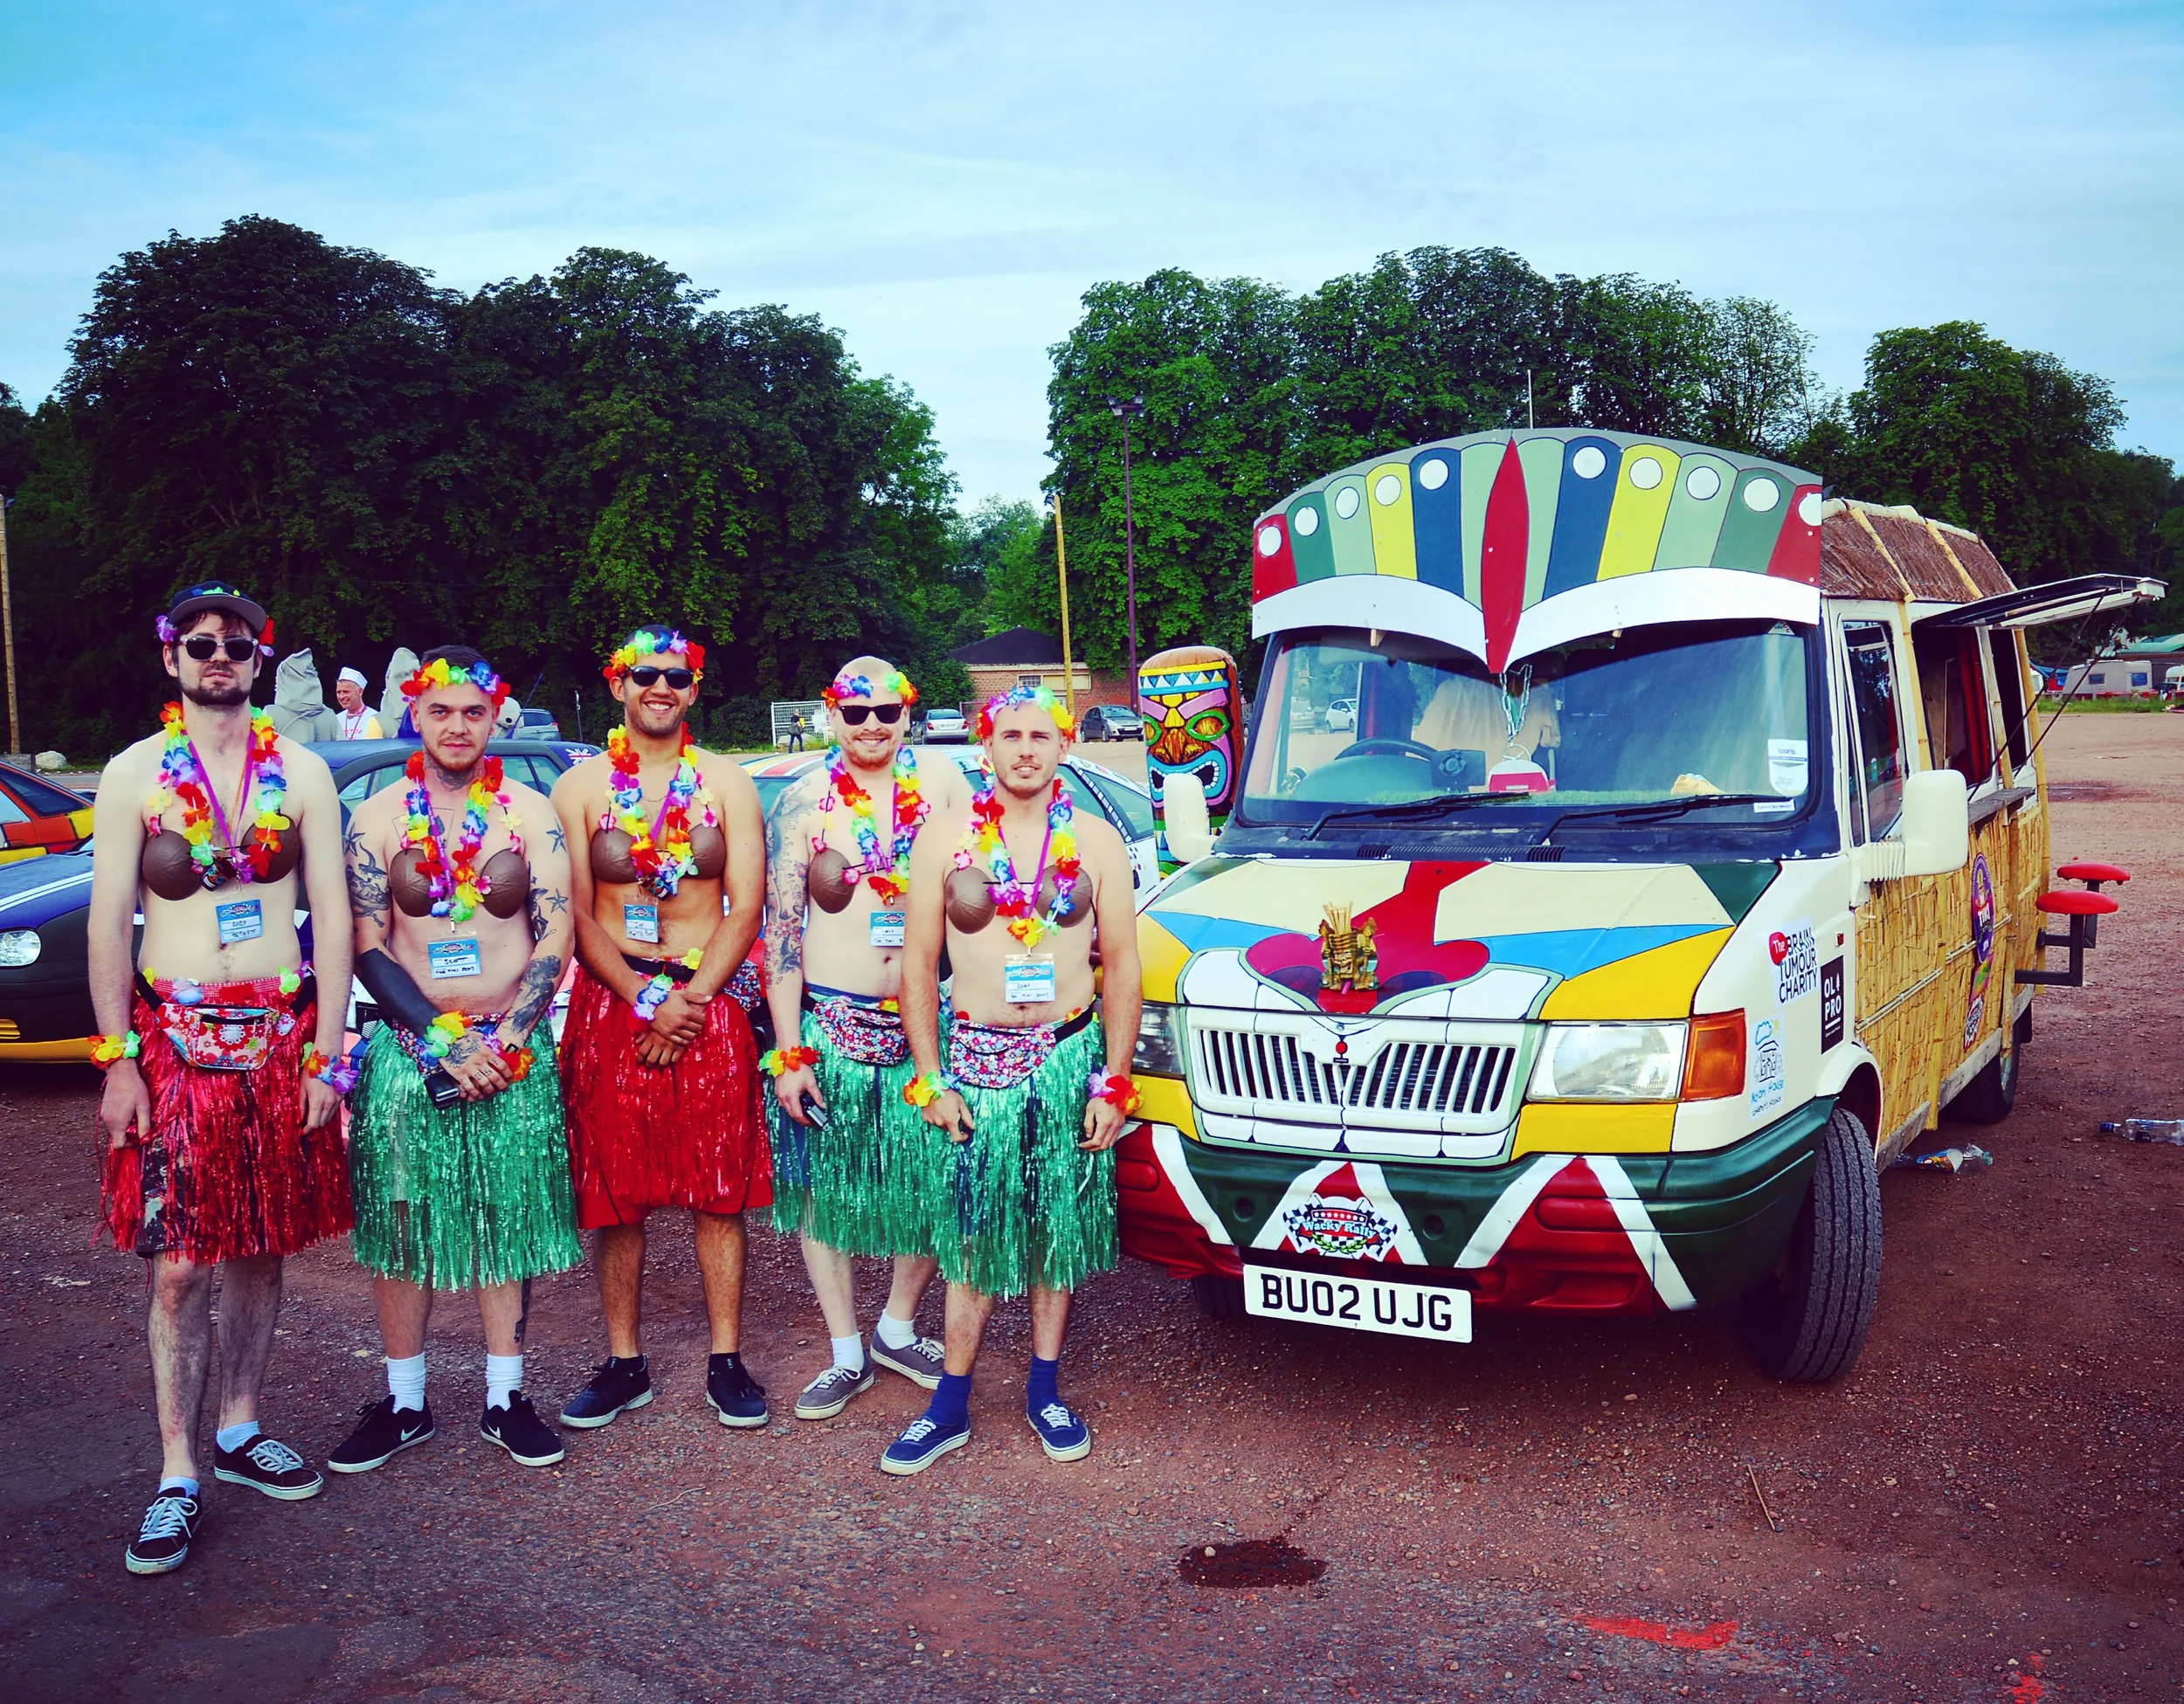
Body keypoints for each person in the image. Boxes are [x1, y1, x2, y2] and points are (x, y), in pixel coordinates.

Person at [88, 583, 356, 1576]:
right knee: (178, 1264)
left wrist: (327, 1052)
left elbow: (330, 915)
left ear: (257, 659)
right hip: (176, 1041)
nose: (219, 658)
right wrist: (117, 1059)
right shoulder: (130, 773)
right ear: (171, 657)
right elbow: (108, 918)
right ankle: (175, 1471)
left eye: (237, 646)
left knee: (262, 1245)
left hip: (279, 1040)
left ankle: (240, 1427)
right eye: (199, 643)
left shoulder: (303, 774)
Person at [328, 647, 578, 1473]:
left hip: (512, 1043)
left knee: (505, 1214)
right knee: (403, 1219)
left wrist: (503, 1040)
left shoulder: (530, 814)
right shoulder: (376, 817)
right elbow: (366, 940)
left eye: (473, 711)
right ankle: (405, 1402)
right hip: (411, 1044)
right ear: (416, 715)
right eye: (442, 711)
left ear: (495, 716)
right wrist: (441, 1038)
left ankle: (507, 1396)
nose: (458, 725)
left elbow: (557, 932)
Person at [881, 686, 1141, 1475]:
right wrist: (931, 1078)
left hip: (1067, 1059)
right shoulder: (944, 838)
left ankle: (1044, 1390)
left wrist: (1114, 1082)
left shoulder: (1096, 840)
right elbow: (917, 967)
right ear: (985, 747)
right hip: (979, 1062)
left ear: (1063, 746)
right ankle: (950, 1403)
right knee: (972, 1236)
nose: (1025, 748)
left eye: (1041, 735)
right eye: (1010, 735)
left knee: (1054, 1234)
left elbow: (1122, 965)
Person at [550, 627, 772, 1431]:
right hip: (615, 998)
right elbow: (575, 911)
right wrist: (645, 1000)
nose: (660, 686)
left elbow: (744, 904)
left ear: (693, 689)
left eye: (675, 676)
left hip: (705, 998)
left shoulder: (727, 784)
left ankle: (726, 1357)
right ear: (618, 684)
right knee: (617, 1192)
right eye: (645, 673)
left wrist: (691, 999)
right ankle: (623, 1361)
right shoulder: (578, 789)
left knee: (719, 1185)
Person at [762, 659, 972, 1419]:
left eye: (886, 710)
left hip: (931, 1020)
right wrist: (789, 1052)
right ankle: (846, 1350)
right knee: (824, 1191)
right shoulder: (802, 801)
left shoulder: (947, 787)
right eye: (856, 713)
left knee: (934, 1181)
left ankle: (896, 1325)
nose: (872, 724)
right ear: (832, 716)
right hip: (833, 1023)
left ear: (907, 713)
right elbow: (781, 933)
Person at [335, 668, 384, 741]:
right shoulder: (336, 719)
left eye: (346, 692)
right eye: (339, 692)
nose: (342, 696)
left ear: (360, 692)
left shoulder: (375, 717)